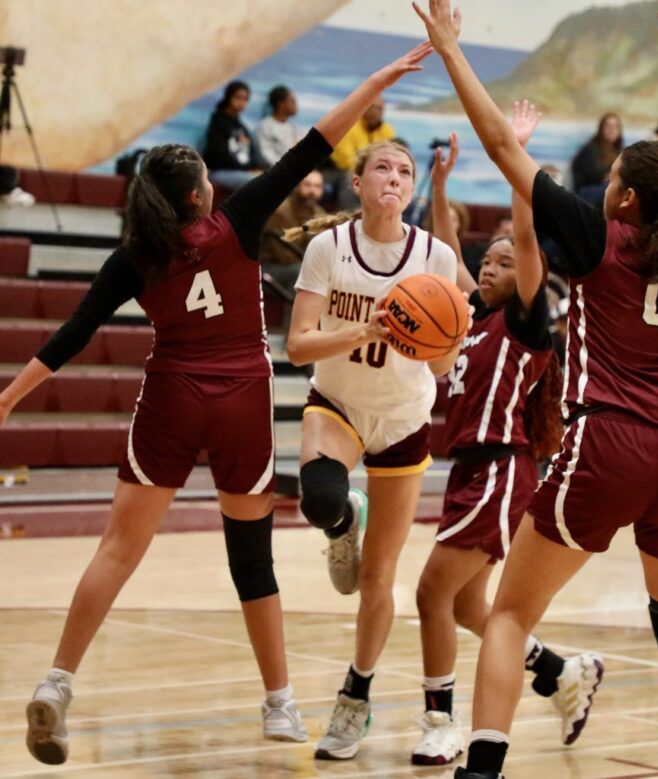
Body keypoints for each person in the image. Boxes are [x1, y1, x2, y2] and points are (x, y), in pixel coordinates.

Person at [0, 40, 434, 767]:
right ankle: (281, 704)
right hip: (238, 399)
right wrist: (380, 78)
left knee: (117, 549)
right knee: (250, 559)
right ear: (201, 194)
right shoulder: (238, 218)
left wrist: (9, 397)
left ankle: (59, 679)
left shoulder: (135, 252)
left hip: (171, 394)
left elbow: (73, 334)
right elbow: (316, 143)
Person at [414, 2, 658, 778]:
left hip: (608, 444)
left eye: (614, 180)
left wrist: (453, 48)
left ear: (626, 199)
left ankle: (482, 770)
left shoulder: (605, 238)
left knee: (509, 615)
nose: (605, 187)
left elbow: (500, 144)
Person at [411, 126, 602, 767]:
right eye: (482, 263)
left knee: (431, 595)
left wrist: (520, 181)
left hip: (499, 470)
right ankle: (560, 671)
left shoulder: (525, 319)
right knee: (469, 605)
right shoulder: (468, 314)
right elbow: (443, 252)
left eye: (499, 263)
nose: (487, 269)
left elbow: (524, 242)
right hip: (470, 472)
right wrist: (439, 185)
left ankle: (440, 721)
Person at [285, 138, 460, 760]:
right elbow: (298, 346)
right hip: (336, 401)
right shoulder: (327, 248)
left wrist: (440, 333)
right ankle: (340, 522)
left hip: (402, 417)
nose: (393, 176)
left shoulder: (434, 257)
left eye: (405, 171)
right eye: (382, 167)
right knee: (320, 500)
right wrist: (368, 327)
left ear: (411, 190)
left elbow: (441, 366)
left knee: (379, 578)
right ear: (357, 183)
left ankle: (354, 698)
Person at [260, 169, 327, 292]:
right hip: (270, 267)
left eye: (317, 186)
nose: (312, 191)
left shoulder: (321, 215)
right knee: (300, 272)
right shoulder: (280, 212)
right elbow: (285, 256)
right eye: (307, 185)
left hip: (300, 265)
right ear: (297, 186)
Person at [326, 97, 397, 209]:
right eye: (373, 107)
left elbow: (392, 156)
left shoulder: (386, 130)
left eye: (380, 109)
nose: (376, 112)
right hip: (339, 171)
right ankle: (347, 218)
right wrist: (371, 170)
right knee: (350, 181)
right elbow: (344, 161)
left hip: (371, 171)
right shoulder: (348, 125)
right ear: (364, 107)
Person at [202, 80, 271, 190]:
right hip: (221, 172)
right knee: (254, 182)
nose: (242, 102)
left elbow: (254, 155)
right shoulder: (218, 122)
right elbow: (217, 155)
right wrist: (246, 168)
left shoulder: (242, 126)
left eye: (245, 99)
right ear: (228, 97)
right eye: (238, 97)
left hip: (242, 172)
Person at [570, 112, 624, 206]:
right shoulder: (589, 149)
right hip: (587, 192)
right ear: (601, 129)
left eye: (615, 127)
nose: (612, 130)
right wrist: (613, 177)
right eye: (608, 126)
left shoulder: (620, 151)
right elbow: (593, 175)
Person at [256, 85, 303, 168]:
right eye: (292, 101)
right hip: (276, 172)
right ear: (281, 104)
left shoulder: (293, 128)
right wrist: (287, 168)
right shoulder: (265, 126)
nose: (296, 105)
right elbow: (265, 155)